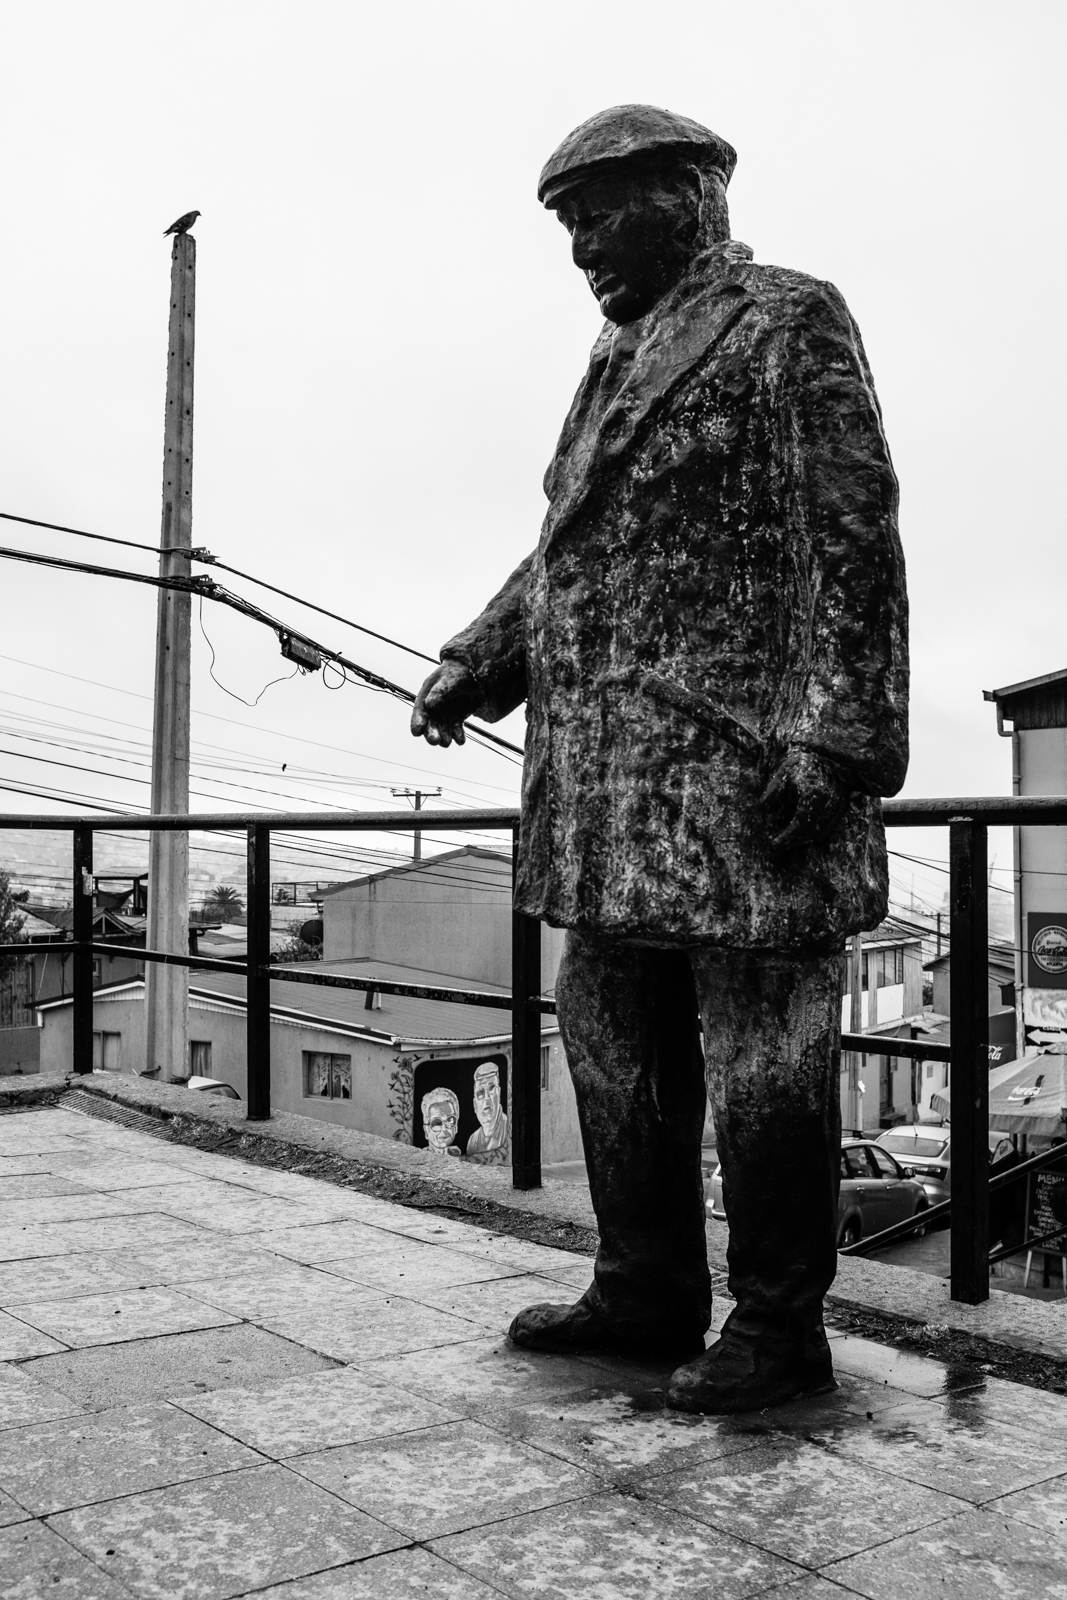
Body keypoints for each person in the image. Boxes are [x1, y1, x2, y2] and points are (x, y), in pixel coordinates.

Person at [410, 104, 908, 1413]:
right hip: (607, 788)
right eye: (566, 226)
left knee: (762, 1061)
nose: (580, 249)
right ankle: (641, 1286)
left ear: (683, 196)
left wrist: (833, 734)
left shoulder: (783, 319)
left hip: (741, 778)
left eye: (595, 216)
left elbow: (851, 532)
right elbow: (568, 549)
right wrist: (479, 655)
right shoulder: (609, 357)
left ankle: (777, 1326)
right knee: (608, 1034)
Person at [466, 1060, 509, 1157]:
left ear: (499, 1093)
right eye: (480, 1092)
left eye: (491, 1088)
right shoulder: (473, 1141)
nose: (487, 1097)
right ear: (474, 1105)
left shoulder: (509, 1130)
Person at [421, 1087, 461, 1158]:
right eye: (437, 1123)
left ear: (456, 1126)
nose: (444, 1129)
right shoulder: (420, 1159)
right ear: (426, 1130)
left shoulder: (457, 1156)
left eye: (450, 1120)